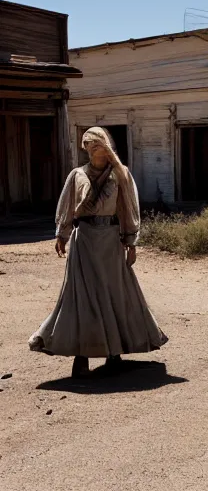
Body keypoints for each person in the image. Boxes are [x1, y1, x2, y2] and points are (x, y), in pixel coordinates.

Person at [28, 127, 168, 378]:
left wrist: (131, 242)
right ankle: (81, 357)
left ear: (106, 145)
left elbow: (128, 209)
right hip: (83, 241)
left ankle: (115, 353)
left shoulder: (120, 174)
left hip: (110, 242)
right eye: (88, 145)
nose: (93, 148)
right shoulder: (77, 175)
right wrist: (62, 235)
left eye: (97, 144)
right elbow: (68, 205)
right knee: (81, 296)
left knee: (113, 294)